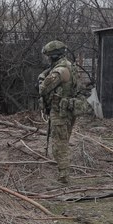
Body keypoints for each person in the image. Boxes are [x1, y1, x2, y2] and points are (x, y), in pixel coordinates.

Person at [38, 40, 77, 185]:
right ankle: (64, 174)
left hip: (60, 112)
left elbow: (43, 88)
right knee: (63, 142)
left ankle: (64, 177)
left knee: (59, 145)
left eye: (48, 56)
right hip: (68, 110)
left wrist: (42, 77)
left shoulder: (59, 71)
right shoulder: (70, 66)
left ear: (53, 56)